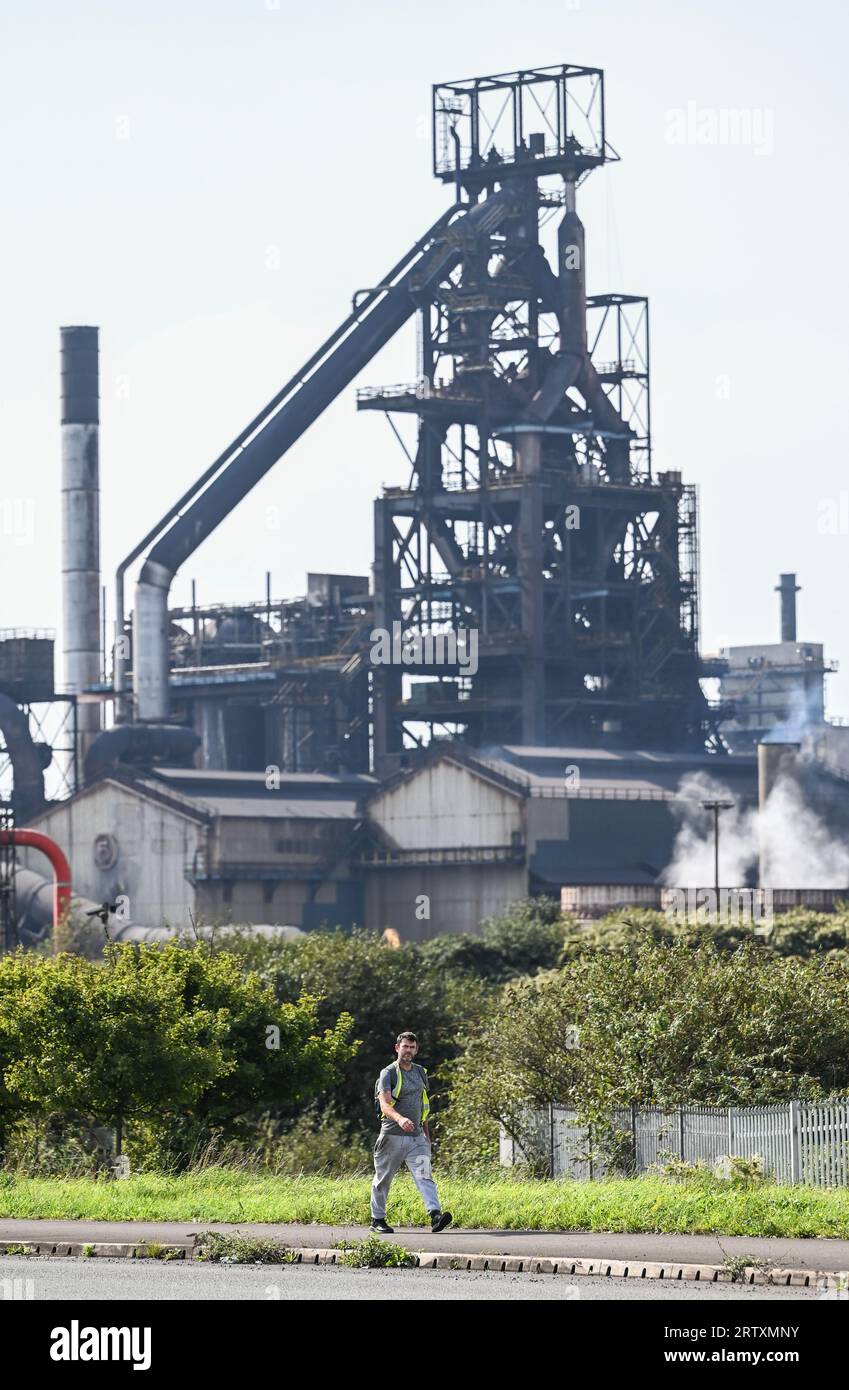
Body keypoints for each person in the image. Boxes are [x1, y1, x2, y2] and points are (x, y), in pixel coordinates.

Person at [370, 1031, 453, 1235]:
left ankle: (435, 1215)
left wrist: (426, 1133)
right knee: (383, 1178)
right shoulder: (388, 1073)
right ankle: (377, 1219)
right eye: (405, 1046)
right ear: (397, 1048)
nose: (408, 1050)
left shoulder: (420, 1072)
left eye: (412, 1047)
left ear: (416, 1050)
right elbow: (384, 1105)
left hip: (417, 1137)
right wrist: (400, 1119)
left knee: (425, 1175)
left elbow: (422, 1105)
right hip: (392, 1136)